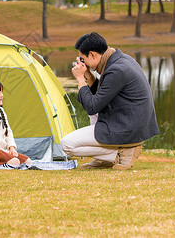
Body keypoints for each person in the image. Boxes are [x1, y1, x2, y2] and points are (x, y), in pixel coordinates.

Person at [61, 32, 159, 170]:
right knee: (92, 109)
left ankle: (119, 153)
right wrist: (89, 76)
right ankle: (104, 158)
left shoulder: (116, 70)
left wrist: (80, 80)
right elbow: (101, 97)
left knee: (66, 144)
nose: (83, 62)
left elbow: (92, 106)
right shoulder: (120, 60)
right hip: (129, 120)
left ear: (92, 54)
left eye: (83, 58)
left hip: (128, 127)